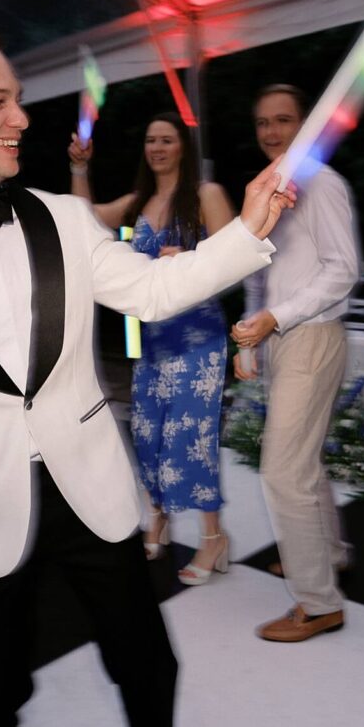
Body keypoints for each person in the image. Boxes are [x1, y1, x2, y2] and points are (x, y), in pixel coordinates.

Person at [0, 26, 291, 727]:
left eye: (20, 99)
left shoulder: (68, 219)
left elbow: (156, 291)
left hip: (90, 485)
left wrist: (246, 234)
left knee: (147, 665)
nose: (22, 117)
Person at [67, 112, 236, 584]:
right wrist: (80, 169)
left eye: (167, 139)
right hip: (154, 338)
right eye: (151, 140)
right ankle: (158, 515)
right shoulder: (139, 200)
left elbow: (233, 259)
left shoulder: (206, 195)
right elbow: (84, 221)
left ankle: (213, 538)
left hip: (199, 336)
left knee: (192, 437)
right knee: (147, 432)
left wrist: (189, 257)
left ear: (182, 145)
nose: (158, 147)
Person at [231, 84, 360, 642]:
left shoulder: (322, 182)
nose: (271, 132)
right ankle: (328, 553)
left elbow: (343, 270)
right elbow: (260, 271)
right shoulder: (275, 186)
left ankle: (318, 601)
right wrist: (251, 336)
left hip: (311, 335)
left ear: (305, 123)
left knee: (283, 471)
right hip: (285, 336)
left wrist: (275, 318)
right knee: (302, 463)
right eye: (263, 122)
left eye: (283, 119)